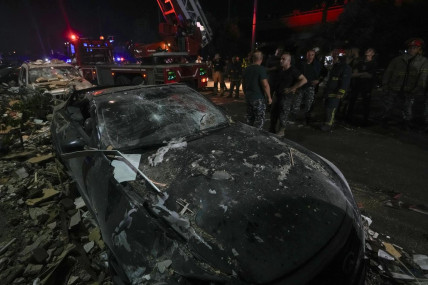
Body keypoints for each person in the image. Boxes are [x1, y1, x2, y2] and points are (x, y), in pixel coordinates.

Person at [381, 38, 428, 129]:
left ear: (419, 49)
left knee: (407, 108)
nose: (412, 49)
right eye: (410, 47)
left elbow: (423, 77)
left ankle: (405, 123)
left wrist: (417, 88)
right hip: (394, 87)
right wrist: (385, 84)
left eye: (415, 47)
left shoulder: (424, 61)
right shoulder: (398, 59)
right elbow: (388, 72)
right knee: (388, 106)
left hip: (410, 89)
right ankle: (384, 120)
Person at [269, 52, 307, 136]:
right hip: (277, 94)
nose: (281, 60)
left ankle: (282, 130)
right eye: (281, 58)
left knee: (283, 113)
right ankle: (272, 129)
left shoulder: (293, 70)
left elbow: (304, 80)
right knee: (273, 112)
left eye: (283, 59)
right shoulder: (280, 68)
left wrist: (292, 88)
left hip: (286, 96)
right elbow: (271, 70)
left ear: (289, 61)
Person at [321, 49, 352, 132]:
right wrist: (329, 54)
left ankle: (329, 125)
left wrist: (341, 91)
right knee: (327, 107)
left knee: (331, 109)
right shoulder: (334, 66)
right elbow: (327, 65)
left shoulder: (345, 67)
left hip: (336, 91)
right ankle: (327, 122)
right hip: (329, 90)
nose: (333, 58)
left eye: (335, 57)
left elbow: (345, 81)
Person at [346, 48, 377, 126]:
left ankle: (365, 120)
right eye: (367, 50)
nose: (367, 51)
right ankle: (348, 118)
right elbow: (353, 74)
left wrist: (359, 74)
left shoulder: (373, 63)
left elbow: (370, 75)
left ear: (373, 54)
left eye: (370, 51)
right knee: (352, 100)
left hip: (367, 86)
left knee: (366, 103)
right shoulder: (360, 62)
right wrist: (363, 74)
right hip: (357, 85)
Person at [242, 51, 272, 129]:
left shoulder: (246, 69)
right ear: (261, 59)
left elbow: (243, 84)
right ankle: (257, 136)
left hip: (248, 97)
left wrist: (246, 93)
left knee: (249, 118)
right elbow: (265, 85)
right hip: (258, 98)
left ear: (253, 59)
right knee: (259, 119)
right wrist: (269, 97)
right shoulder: (261, 69)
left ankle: (248, 133)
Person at [293, 48, 321, 124]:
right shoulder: (301, 64)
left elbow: (322, 74)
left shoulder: (317, 64)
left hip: (310, 86)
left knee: (308, 104)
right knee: (296, 103)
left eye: (312, 55)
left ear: (314, 56)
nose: (310, 56)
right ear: (306, 55)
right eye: (309, 55)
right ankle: (294, 118)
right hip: (300, 86)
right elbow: (295, 74)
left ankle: (305, 118)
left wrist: (318, 80)